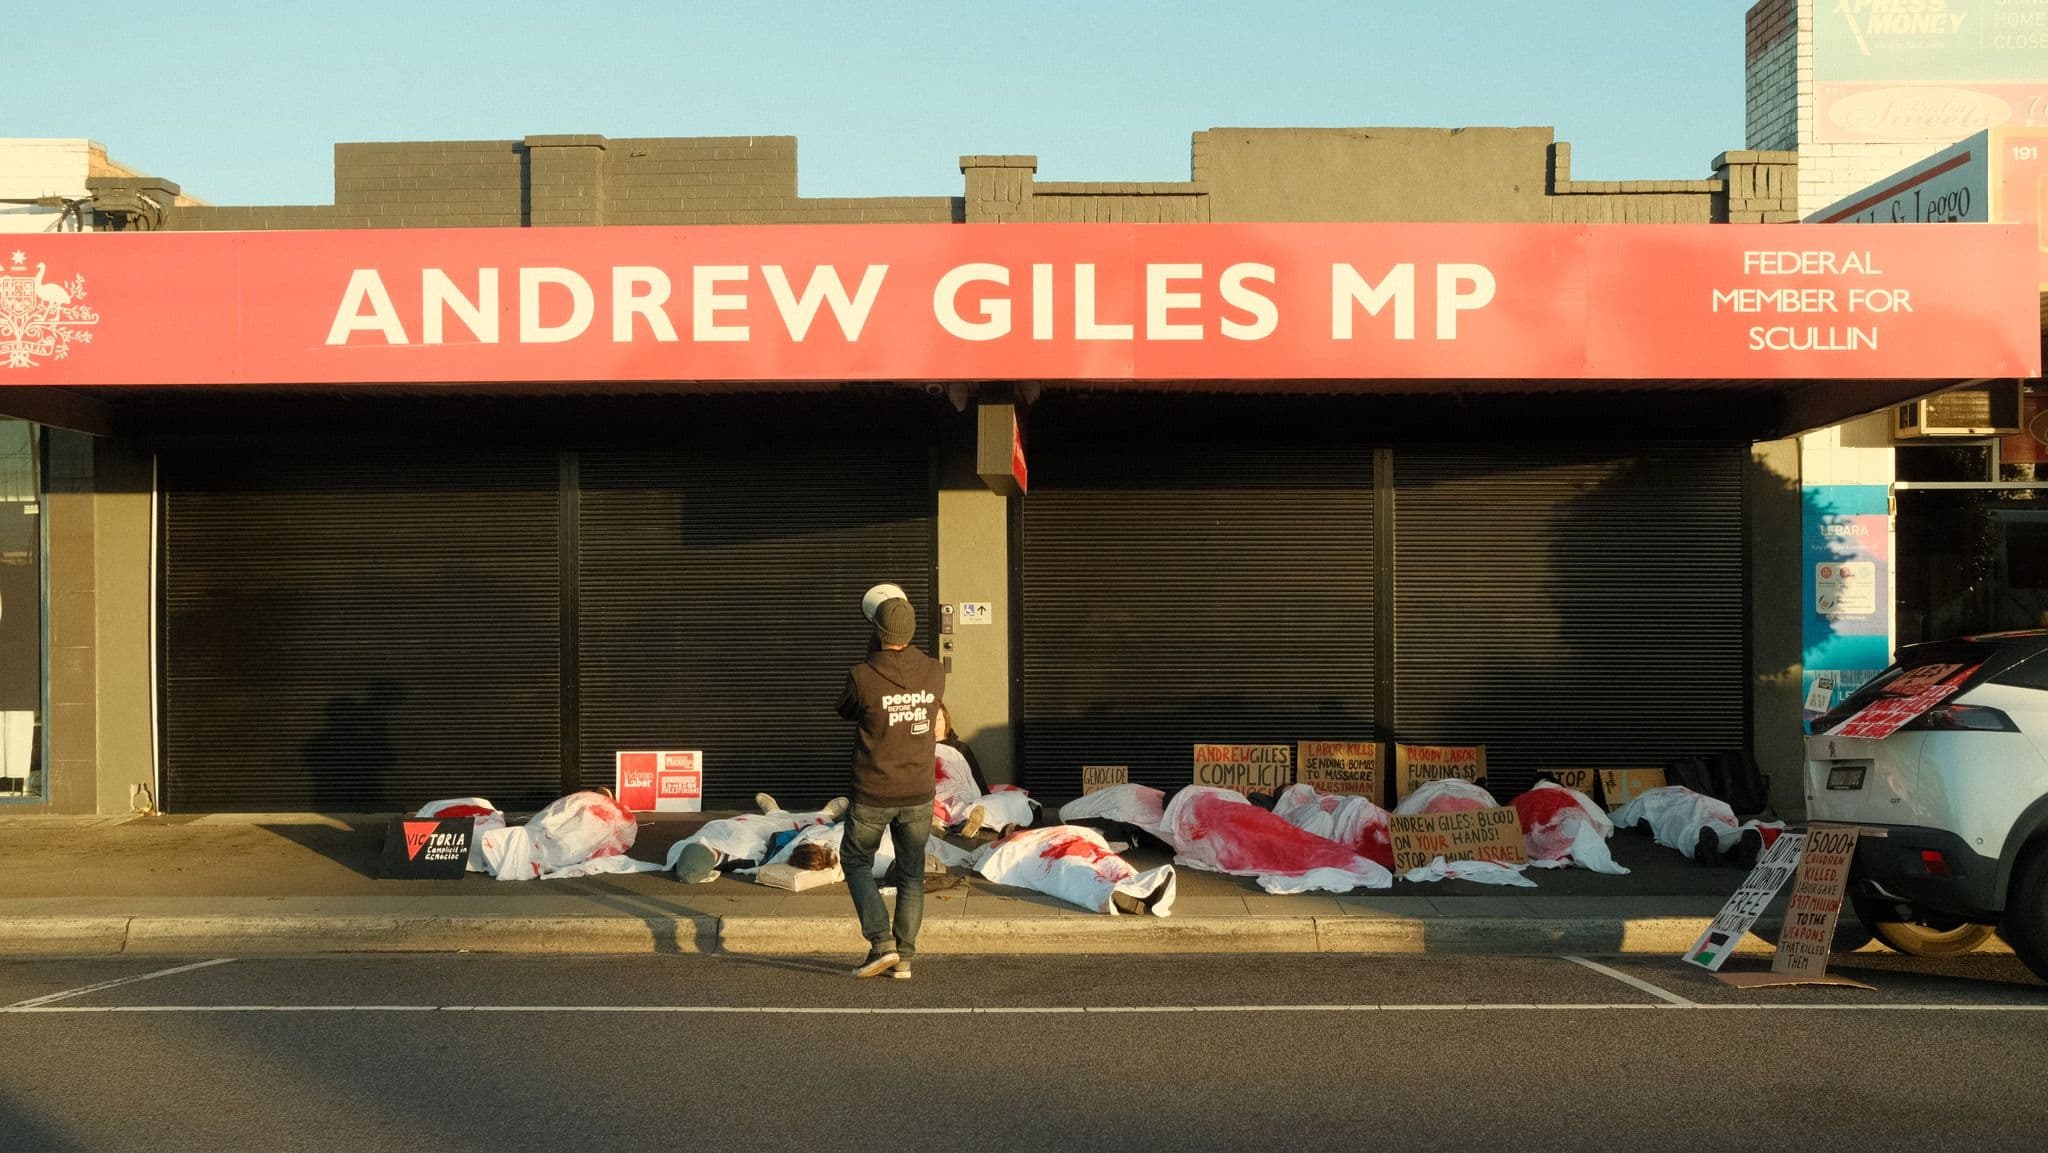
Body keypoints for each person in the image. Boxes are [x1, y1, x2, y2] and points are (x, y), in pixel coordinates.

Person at [835, 594, 945, 980]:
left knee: (855, 861)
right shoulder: (935, 671)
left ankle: (881, 942)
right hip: (919, 790)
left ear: (877, 631)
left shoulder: (862, 675)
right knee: (912, 874)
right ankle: (905, 958)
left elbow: (846, 709)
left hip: (873, 791)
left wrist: (872, 656)